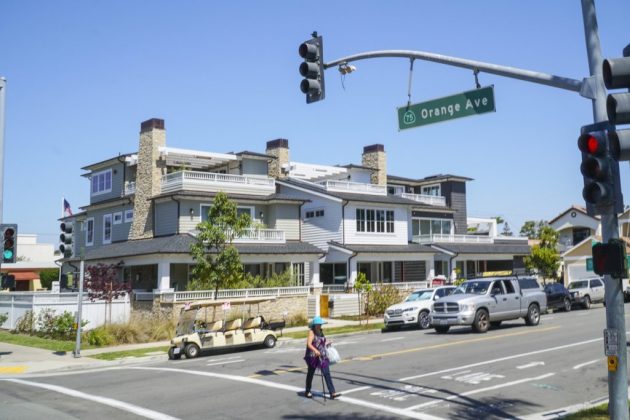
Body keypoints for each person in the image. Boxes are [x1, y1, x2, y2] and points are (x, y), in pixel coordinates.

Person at [303, 316, 341, 399]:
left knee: (326, 373)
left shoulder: (320, 331)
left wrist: (328, 343)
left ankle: (332, 393)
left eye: (321, 324)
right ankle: (307, 391)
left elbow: (321, 342)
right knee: (310, 374)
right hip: (313, 356)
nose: (320, 325)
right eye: (319, 324)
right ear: (315, 325)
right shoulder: (311, 332)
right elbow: (309, 344)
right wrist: (315, 350)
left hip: (322, 355)